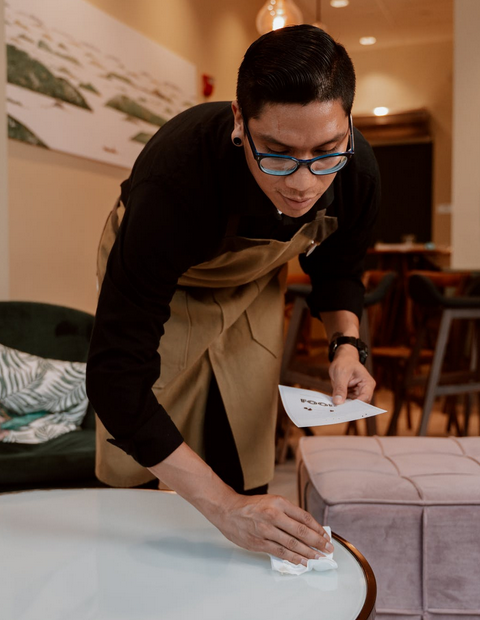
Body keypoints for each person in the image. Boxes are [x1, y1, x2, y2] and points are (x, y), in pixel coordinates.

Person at [86, 25, 379, 567]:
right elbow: (114, 378)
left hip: (252, 282)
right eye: (278, 152)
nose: (304, 182)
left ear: (348, 126)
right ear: (240, 124)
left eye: (326, 151)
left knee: (242, 429)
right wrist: (223, 509)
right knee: (141, 459)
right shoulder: (175, 182)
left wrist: (347, 344)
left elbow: (338, 267)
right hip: (167, 280)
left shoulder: (357, 171)